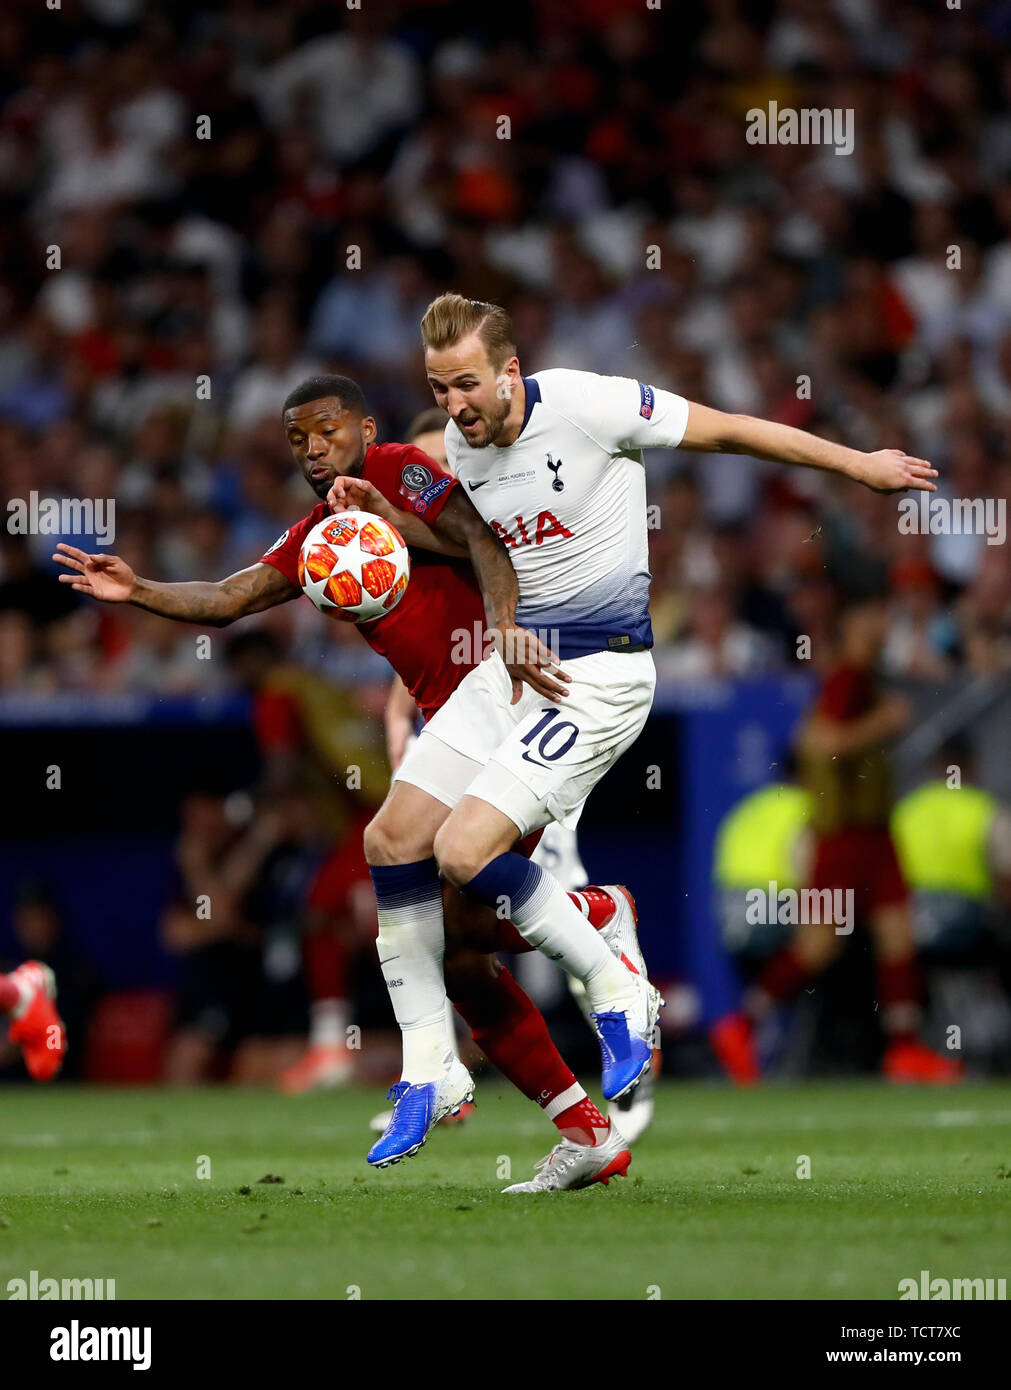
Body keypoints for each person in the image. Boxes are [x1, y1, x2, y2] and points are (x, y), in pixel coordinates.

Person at [325, 291, 940, 1180]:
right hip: (517, 670)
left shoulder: (589, 405)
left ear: (509, 371)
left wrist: (859, 465)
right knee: (389, 837)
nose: (452, 405)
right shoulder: (462, 442)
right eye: (436, 386)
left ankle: (619, 986)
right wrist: (391, 526)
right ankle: (430, 1068)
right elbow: (480, 545)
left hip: (599, 674)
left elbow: (730, 429)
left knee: (463, 852)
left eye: (464, 385)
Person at [53, 373, 650, 1193]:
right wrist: (139, 590)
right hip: (454, 721)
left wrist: (412, 537)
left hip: (514, 694)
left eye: (326, 430)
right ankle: (582, 1128)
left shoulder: (403, 467)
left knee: (434, 878)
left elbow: (482, 538)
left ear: (364, 428)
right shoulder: (315, 538)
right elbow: (229, 598)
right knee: (460, 948)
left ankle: (578, 941)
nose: (311, 448)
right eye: (297, 438)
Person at [711, 599, 963, 1084]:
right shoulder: (846, 679)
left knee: (898, 935)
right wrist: (884, 723)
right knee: (820, 945)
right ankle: (741, 1024)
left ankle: (904, 1050)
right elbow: (822, 744)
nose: (885, 625)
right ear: (855, 624)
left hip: (873, 833)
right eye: (876, 615)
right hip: (844, 836)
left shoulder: (865, 679)